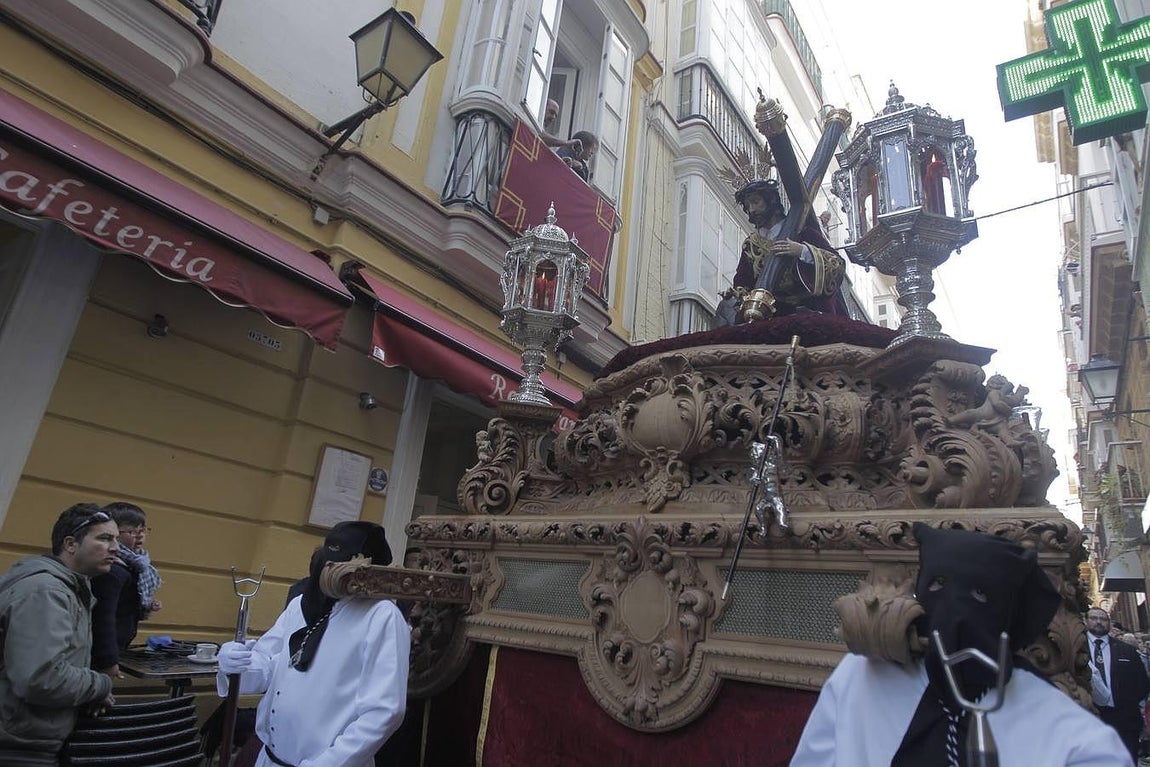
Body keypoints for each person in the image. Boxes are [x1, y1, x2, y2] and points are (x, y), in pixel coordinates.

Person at [791, 523, 1130, 766]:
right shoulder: (859, 676)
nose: (955, 609)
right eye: (938, 585)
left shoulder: (1066, 730)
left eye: (981, 594)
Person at [215, 521, 410, 767]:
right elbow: (269, 664)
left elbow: (383, 711)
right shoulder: (302, 604)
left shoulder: (382, 617)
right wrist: (236, 664)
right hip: (269, 758)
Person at [0, 503, 118, 765]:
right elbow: (41, 678)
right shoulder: (46, 592)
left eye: (116, 539)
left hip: (32, 739)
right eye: (104, 538)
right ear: (70, 544)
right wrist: (100, 685)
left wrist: (86, 695)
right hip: (17, 748)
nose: (115, 548)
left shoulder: (70, 588)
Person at [729, 178, 846, 317]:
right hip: (772, 314)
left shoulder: (803, 232)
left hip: (810, 308)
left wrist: (802, 251)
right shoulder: (751, 244)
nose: (752, 210)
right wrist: (739, 293)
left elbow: (837, 264)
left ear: (771, 201)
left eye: (755, 202)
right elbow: (743, 280)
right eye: (748, 206)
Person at [90, 502, 162, 677]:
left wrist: (147, 604)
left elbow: (126, 602)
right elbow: (103, 617)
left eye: (143, 530)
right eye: (132, 531)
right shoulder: (112, 570)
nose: (140, 536)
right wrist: (108, 661)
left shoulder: (137, 564)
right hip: (99, 652)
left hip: (119, 644)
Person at [1087, 606, 1150, 762]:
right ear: (1086, 621)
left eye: (1103, 619)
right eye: (1094, 618)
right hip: (1089, 717)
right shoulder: (1077, 648)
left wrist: (1127, 703)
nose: (1098, 622)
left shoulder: (1127, 650)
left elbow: (1141, 682)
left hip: (1124, 721)